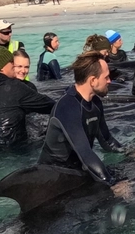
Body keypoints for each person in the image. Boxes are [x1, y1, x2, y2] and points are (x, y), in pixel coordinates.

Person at [39, 51, 125, 186]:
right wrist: (112, 183)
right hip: (54, 178)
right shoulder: (67, 107)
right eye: (106, 77)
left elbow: (107, 141)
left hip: (78, 169)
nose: (110, 81)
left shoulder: (95, 103)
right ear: (92, 80)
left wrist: (131, 152)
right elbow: (85, 153)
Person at [0, 45, 55, 147]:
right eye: (11, 62)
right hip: (13, 150)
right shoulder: (14, 86)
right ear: (2, 67)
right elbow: (50, 106)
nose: (13, 64)